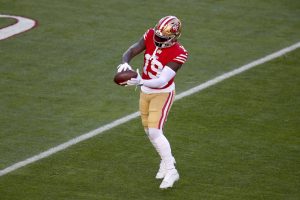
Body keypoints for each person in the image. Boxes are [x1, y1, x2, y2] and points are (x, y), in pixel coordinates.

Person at [117, 16, 188, 189]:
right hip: (145, 91)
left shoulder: (180, 53)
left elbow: (162, 80)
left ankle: (171, 170)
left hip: (162, 93)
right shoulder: (151, 34)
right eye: (158, 35)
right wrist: (125, 63)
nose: (158, 39)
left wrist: (140, 80)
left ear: (173, 37)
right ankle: (167, 160)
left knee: (155, 132)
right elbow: (133, 49)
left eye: (163, 37)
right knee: (150, 131)